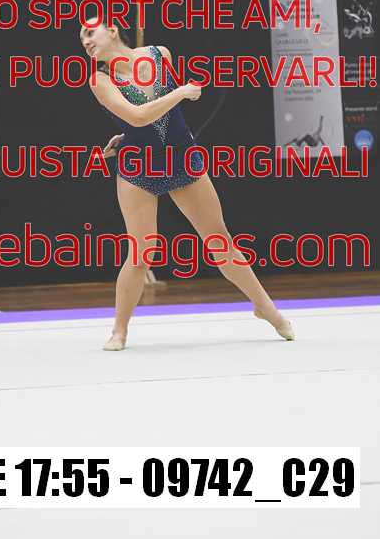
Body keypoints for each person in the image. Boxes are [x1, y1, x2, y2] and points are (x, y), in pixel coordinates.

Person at [81, 20, 295, 351]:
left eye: (89, 33)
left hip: (182, 158)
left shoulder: (160, 55)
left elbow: (162, 117)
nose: (85, 41)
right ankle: (119, 330)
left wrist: (131, 133)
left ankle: (266, 307)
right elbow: (138, 116)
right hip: (139, 168)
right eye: (81, 38)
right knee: (141, 253)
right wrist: (178, 94)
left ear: (112, 30)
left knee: (220, 240)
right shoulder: (100, 79)